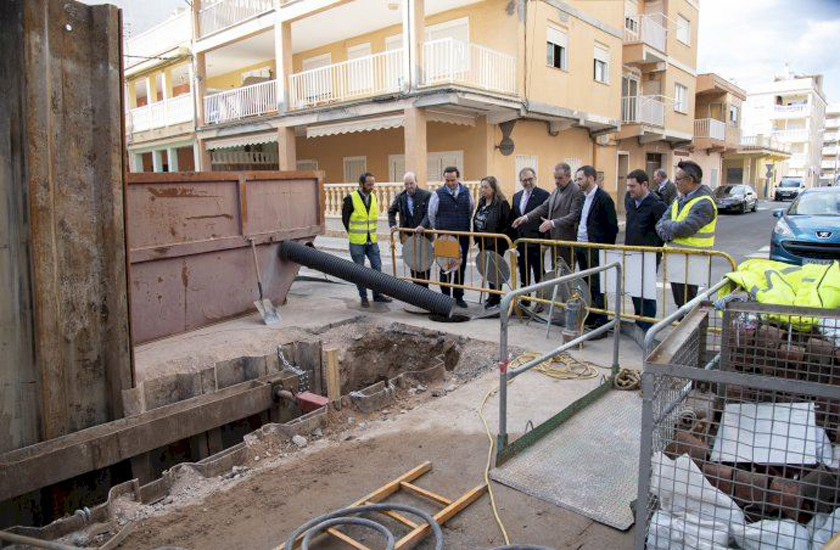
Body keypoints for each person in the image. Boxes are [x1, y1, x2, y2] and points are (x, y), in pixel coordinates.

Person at [655, 160, 718, 307]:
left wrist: (668, 228)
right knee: (681, 303)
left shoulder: (704, 203)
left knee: (688, 304)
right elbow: (659, 223)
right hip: (676, 258)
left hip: (692, 260)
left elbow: (683, 229)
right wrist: (669, 231)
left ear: (690, 180)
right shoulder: (680, 198)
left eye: (678, 179)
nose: (675, 182)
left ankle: (690, 329)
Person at [511, 162, 583, 270]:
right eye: (555, 178)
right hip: (555, 240)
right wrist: (525, 217)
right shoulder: (557, 190)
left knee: (566, 276)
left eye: (560, 178)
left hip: (567, 241)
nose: (556, 181)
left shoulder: (576, 191)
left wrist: (552, 223)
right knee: (556, 273)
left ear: (568, 176)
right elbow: (544, 207)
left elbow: (574, 216)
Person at [421, 166, 474, 309]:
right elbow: (432, 215)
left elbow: (470, 210)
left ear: (458, 178)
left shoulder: (467, 193)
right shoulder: (437, 194)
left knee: (460, 267)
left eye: (453, 180)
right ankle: (445, 297)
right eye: (448, 180)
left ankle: (459, 296)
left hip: (462, 235)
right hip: (444, 237)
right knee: (445, 267)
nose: (450, 183)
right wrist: (440, 229)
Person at [574, 165, 618, 332]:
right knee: (586, 283)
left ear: (591, 178)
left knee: (597, 285)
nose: (577, 182)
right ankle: (590, 316)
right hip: (581, 246)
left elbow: (611, 227)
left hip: (595, 248)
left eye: (580, 179)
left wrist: (604, 249)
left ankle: (600, 319)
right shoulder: (583, 197)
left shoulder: (603, 198)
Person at [341, 172, 393, 308]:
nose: (371, 187)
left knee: (377, 267)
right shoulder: (351, 198)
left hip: (372, 240)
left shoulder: (374, 197)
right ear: (361, 184)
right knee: (360, 271)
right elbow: (345, 219)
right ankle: (364, 297)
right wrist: (352, 234)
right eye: (369, 184)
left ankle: (377, 295)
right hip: (357, 241)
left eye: (373, 184)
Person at [624, 169, 667, 330]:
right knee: (634, 290)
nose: (629, 189)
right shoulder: (629, 199)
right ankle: (638, 321)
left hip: (648, 256)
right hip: (631, 253)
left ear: (644, 185)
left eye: (632, 186)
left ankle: (647, 327)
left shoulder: (657, 205)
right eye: (628, 185)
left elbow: (662, 232)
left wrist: (655, 250)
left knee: (646, 293)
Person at [473, 176, 512, 310]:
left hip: (496, 243)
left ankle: (496, 298)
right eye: (482, 187)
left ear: (494, 188)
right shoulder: (482, 201)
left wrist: (498, 239)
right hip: (483, 242)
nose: (483, 190)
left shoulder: (502, 203)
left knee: (495, 271)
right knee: (487, 270)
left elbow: (507, 224)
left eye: (486, 187)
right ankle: (492, 294)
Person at [388, 172, 432, 287]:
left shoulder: (426, 195)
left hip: (424, 236)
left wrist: (422, 225)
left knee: (424, 264)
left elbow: (429, 214)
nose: (409, 186)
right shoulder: (400, 197)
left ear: (416, 182)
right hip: (408, 237)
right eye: (406, 184)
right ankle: (416, 290)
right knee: (413, 264)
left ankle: (425, 291)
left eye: (411, 183)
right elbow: (391, 211)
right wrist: (392, 224)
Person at [511, 167, 550, 291]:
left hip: (536, 241)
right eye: (524, 180)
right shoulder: (516, 196)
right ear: (520, 181)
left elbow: (547, 219)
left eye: (530, 179)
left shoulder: (544, 195)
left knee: (539, 272)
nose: (527, 182)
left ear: (535, 178)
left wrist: (545, 242)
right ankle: (525, 298)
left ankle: (541, 299)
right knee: (523, 271)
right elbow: (514, 218)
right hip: (521, 242)